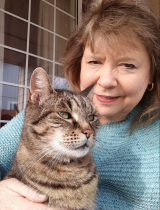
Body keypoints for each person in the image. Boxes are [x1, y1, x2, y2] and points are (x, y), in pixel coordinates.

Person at [0, 0, 159, 209]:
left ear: (151, 76)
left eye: (128, 65)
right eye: (95, 62)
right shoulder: (36, 115)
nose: (106, 81)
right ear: (79, 65)